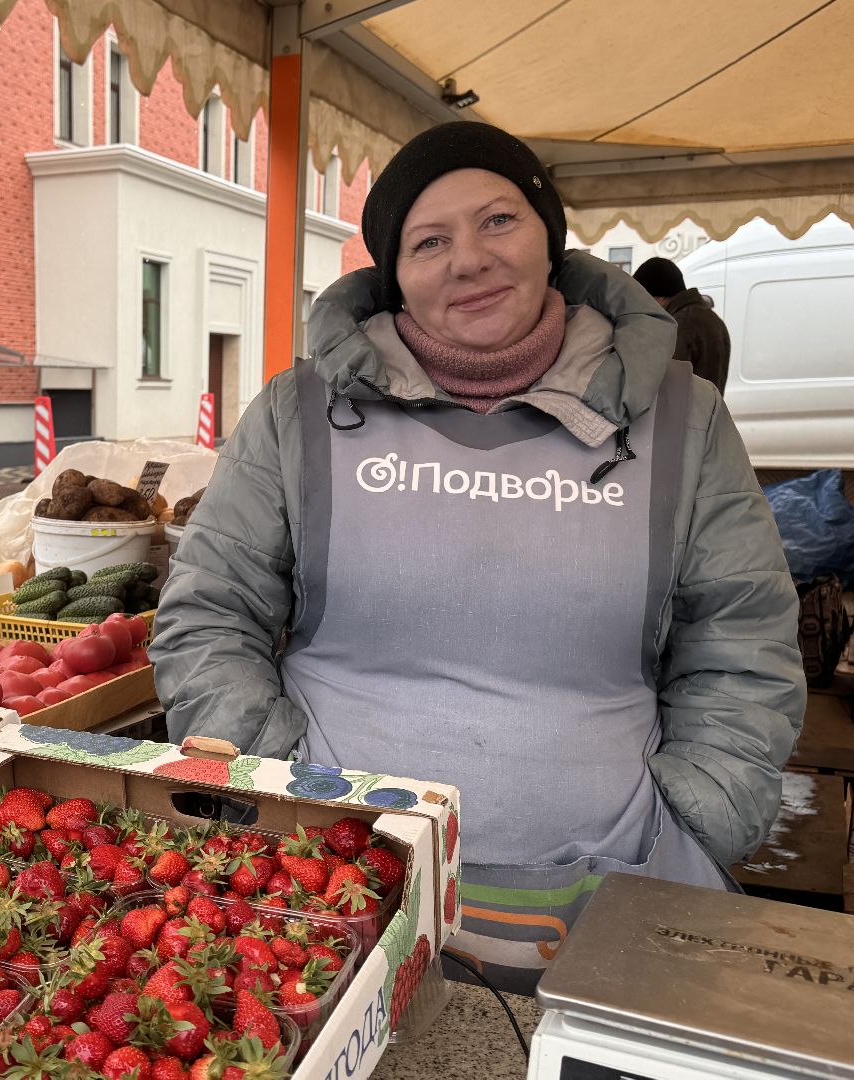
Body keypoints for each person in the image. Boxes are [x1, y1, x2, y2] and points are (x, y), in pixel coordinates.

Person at [150, 122, 804, 993]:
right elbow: (209, 610)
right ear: (395, 272)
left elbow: (743, 639)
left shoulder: (685, 420)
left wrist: (699, 816)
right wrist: (273, 785)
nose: (469, 260)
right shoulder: (295, 412)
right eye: (429, 241)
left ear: (547, 234)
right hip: (321, 883)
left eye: (498, 220)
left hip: (617, 884)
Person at [632, 256, 731, 393]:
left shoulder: (679, 325)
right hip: (709, 412)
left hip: (685, 413)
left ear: (659, 298)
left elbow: (664, 387)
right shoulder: (712, 319)